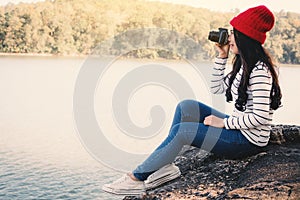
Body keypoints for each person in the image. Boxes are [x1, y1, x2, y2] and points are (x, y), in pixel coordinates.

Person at [102, 5, 282, 195]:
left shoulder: (260, 71)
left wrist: (223, 123)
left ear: (245, 37)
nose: (229, 37)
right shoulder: (244, 65)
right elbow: (217, 88)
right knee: (187, 107)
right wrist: (222, 57)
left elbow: (260, 117)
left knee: (185, 131)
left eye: (233, 32)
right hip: (240, 130)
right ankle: (165, 166)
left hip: (248, 141)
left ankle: (136, 178)